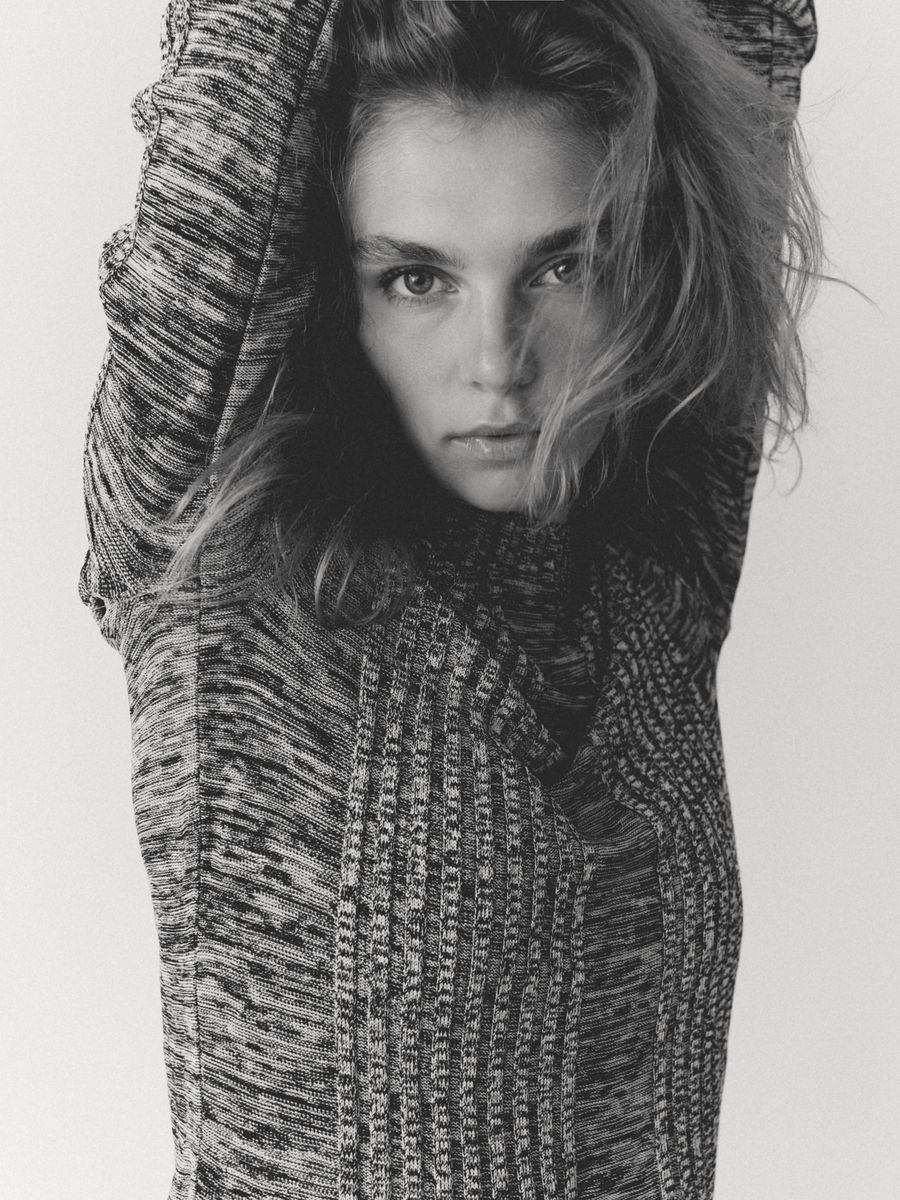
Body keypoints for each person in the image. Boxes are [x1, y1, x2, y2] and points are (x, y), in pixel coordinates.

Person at [78, 1, 820, 1197]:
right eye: (418, 278)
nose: (497, 362)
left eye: (563, 267)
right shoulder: (220, 558)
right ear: (342, 293)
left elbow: (748, 37)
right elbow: (231, 103)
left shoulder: (654, 547)